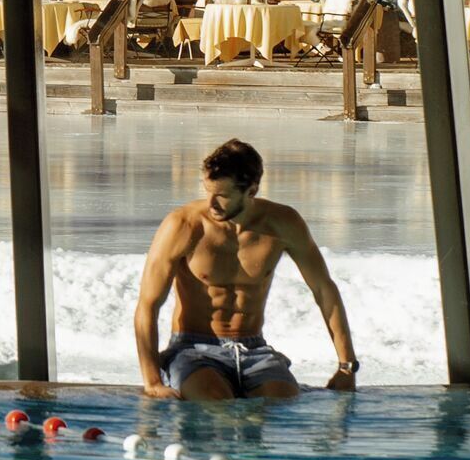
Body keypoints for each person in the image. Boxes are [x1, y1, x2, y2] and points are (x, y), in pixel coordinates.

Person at [134, 138, 358, 401]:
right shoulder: (183, 225)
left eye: (223, 196)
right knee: (217, 406)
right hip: (193, 349)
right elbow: (147, 305)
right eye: (207, 191)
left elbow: (323, 289)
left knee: (282, 406)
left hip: (255, 350)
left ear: (251, 191)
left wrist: (347, 366)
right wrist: (152, 382)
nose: (211, 203)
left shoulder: (283, 224)